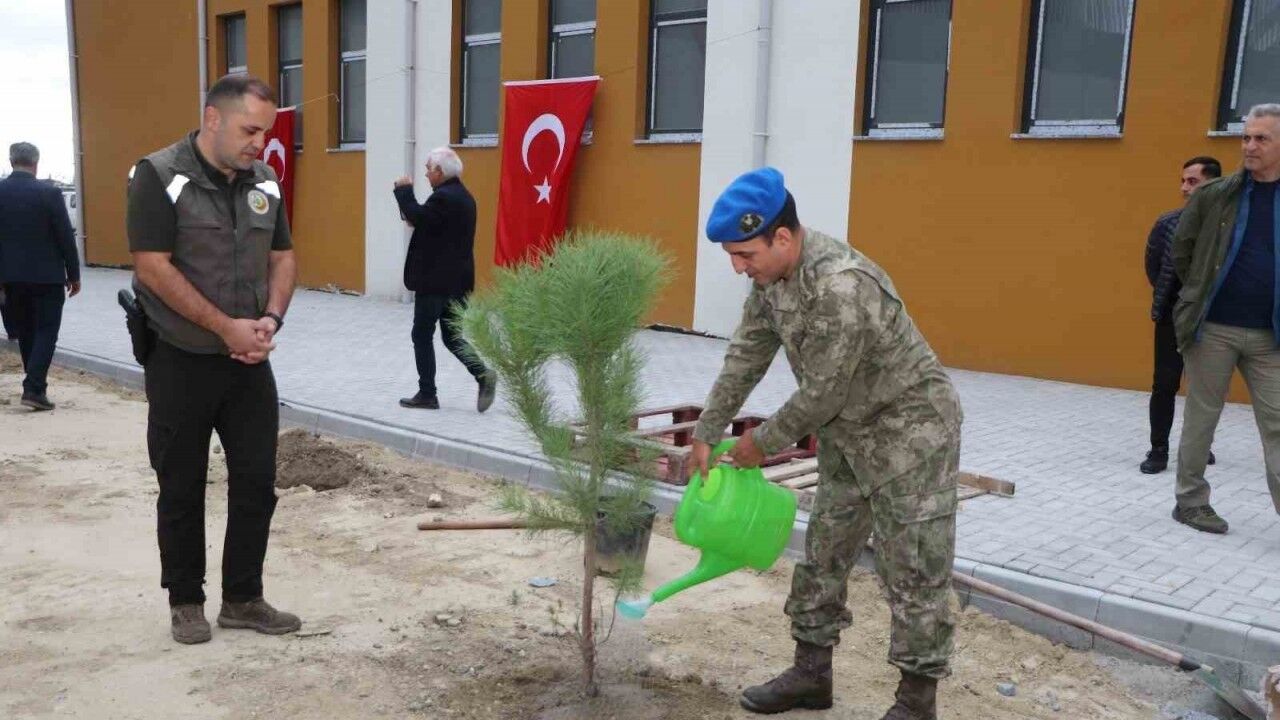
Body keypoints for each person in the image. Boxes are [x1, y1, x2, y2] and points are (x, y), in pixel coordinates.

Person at [688, 167, 962, 720]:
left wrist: (761, 443)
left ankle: (916, 702)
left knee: (913, 570)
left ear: (781, 237)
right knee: (824, 552)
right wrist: (707, 430)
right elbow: (746, 355)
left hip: (911, 435)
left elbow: (824, 392)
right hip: (849, 434)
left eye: (744, 254)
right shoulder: (770, 283)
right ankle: (812, 674)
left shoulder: (842, 286)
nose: (738, 267)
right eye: (732, 256)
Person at [127, 75, 301, 643]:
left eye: (264, 132)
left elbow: (283, 257)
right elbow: (152, 266)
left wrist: (270, 319)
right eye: (250, 130)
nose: (259, 143)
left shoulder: (264, 180)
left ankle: (244, 599)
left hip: (248, 362)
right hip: (181, 359)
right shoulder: (158, 175)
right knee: (182, 484)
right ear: (212, 119)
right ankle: (185, 601)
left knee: (256, 482)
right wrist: (226, 327)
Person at [1172, 103, 1280, 534]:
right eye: (1246, 137)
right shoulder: (1215, 195)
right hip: (1213, 328)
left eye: (1261, 138)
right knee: (1202, 418)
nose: (1250, 146)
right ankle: (1190, 502)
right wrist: (1198, 293)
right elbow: (1182, 250)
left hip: (1271, 335)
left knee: (1277, 423)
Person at [393, 146, 496, 412]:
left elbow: (418, 215)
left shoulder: (443, 198)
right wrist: (417, 218)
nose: (426, 174)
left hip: (435, 282)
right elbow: (433, 225)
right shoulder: (464, 197)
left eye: (428, 169)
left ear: (440, 171)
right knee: (452, 337)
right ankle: (483, 374)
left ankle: (428, 394)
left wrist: (404, 191)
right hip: (458, 282)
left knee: (421, 334)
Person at [1140, 156, 1221, 473]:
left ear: (1213, 185)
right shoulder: (1167, 223)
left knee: (1206, 387)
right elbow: (1153, 267)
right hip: (1171, 316)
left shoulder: (1226, 227)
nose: (1184, 188)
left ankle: (1200, 445)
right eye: (1183, 181)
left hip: (1212, 319)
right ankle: (1158, 450)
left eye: (1193, 181)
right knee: (1164, 384)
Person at [0, 142, 80, 410]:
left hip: (10, 278)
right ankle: (34, 388)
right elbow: (65, 237)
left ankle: (35, 386)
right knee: (46, 330)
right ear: (36, 163)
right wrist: (74, 274)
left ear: (11, 161)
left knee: (25, 331)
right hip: (48, 277)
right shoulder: (49, 193)